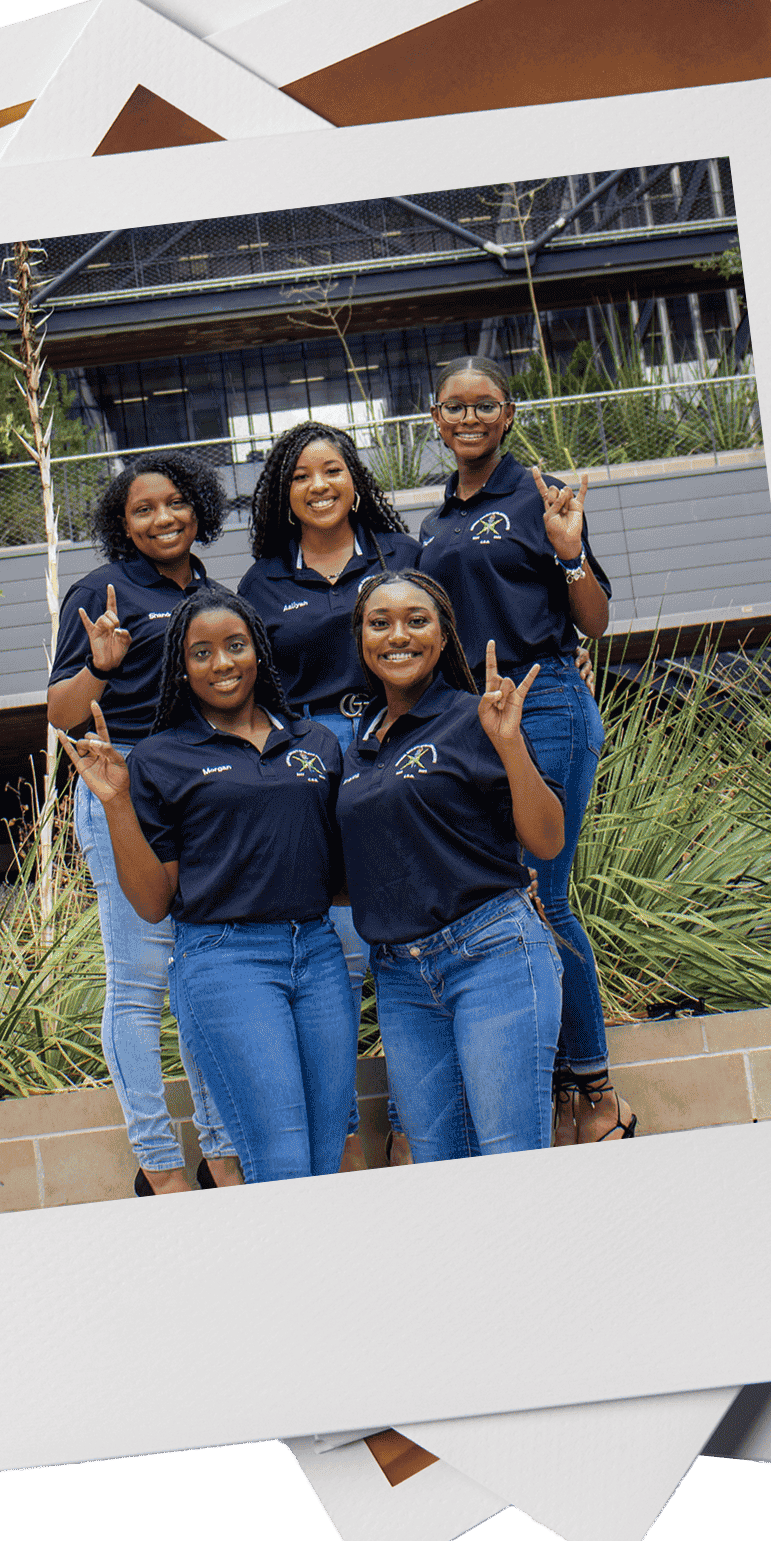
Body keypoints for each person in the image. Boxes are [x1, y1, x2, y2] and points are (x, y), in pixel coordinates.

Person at [58, 589, 359, 1184]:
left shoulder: (316, 744)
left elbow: (346, 873)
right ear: (183, 668)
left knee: (328, 1156)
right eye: (202, 652)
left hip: (318, 955)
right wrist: (117, 802)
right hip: (227, 962)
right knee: (281, 1160)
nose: (222, 663)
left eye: (235, 646)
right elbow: (150, 903)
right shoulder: (160, 758)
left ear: (257, 652)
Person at [412, 356, 635, 1142]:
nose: (468, 418)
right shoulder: (432, 524)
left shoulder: (537, 496)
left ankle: (598, 1092)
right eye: (453, 407)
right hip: (478, 726)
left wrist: (569, 552)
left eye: (484, 405)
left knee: (546, 895)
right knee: (517, 901)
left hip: (545, 712)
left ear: (508, 414)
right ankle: (559, 1086)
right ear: (434, 420)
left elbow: (596, 622)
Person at [47, 453, 241, 1195]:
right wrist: (99, 667)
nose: (162, 518)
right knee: (138, 981)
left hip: (201, 787)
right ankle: (159, 1164)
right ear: (121, 524)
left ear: (198, 508)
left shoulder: (217, 593)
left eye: (174, 504)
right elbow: (60, 715)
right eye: (142, 509)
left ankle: (220, 1153)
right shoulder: (102, 591)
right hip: (122, 785)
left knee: (198, 976)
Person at [236, 421, 419, 1166]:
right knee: (337, 955)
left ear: (355, 480)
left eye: (334, 469)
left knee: (404, 942)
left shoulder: (399, 556)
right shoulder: (261, 583)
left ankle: (411, 1127)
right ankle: (342, 1136)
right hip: (310, 762)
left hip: (394, 748)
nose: (320, 484)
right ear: (284, 493)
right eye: (302, 474)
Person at [335, 572, 565, 1160]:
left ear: (442, 638)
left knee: (511, 1158)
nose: (397, 635)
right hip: (401, 978)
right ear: (361, 639)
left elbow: (545, 838)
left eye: (417, 620)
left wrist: (510, 742)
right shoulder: (356, 748)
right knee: (441, 1169)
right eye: (379, 622)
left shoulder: (476, 718)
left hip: (492, 956)